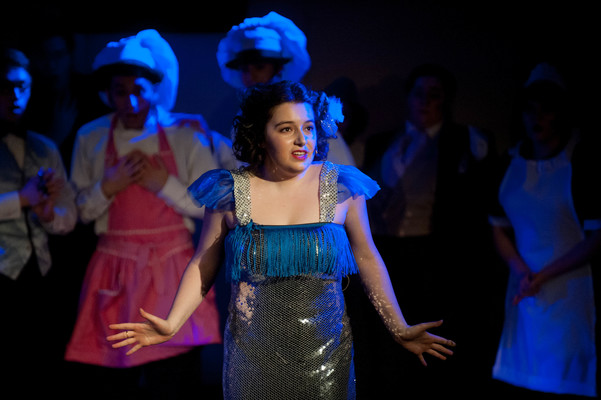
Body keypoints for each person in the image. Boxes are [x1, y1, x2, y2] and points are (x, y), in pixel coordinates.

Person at [106, 80, 456, 400]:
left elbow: (366, 256)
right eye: (286, 129)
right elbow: (204, 261)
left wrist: (398, 326)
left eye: (308, 128)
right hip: (252, 358)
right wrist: (172, 323)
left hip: (325, 356)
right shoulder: (229, 192)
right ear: (261, 136)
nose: (302, 140)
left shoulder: (342, 188)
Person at [64, 29, 226, 399]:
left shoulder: (186, 133)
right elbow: (80, 212)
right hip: (115, 269)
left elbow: (210, 207)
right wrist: (109, 185)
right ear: (108, 93)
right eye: (120, 92)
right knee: (112, 376)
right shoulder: (91, 136)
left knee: (173, 376)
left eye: (139, 90)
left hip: (171, 267)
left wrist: (162, 183)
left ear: (155, 88)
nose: (131, 101)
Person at [358, 63, 497, 396]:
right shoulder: (381, 142)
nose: (425, 101)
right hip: (385, 250)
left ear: (445, 100)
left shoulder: (464, 141)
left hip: (435, 256)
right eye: (418, 93)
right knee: (387, 333)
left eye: (433, 95)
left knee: (432, 333)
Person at [488, 62, 600, 398]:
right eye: (530, 110)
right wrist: (523, 271)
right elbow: (498, 227)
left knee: (567, 377)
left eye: (546, 110)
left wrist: (543, 275)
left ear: (561, 113)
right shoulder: (509, 163)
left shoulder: (582, 162)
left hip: (572, 287)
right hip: (523, 286)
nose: (537, 118)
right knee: (525, 375)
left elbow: (596, 237)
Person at [0, 47, 77, 395]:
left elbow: (68, 216)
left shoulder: (44, 147)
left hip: (40, 275)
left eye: (22, 87)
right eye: (5, 87)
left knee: (41, 368)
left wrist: (47, 213)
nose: (15, 97)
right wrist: (22, 199)